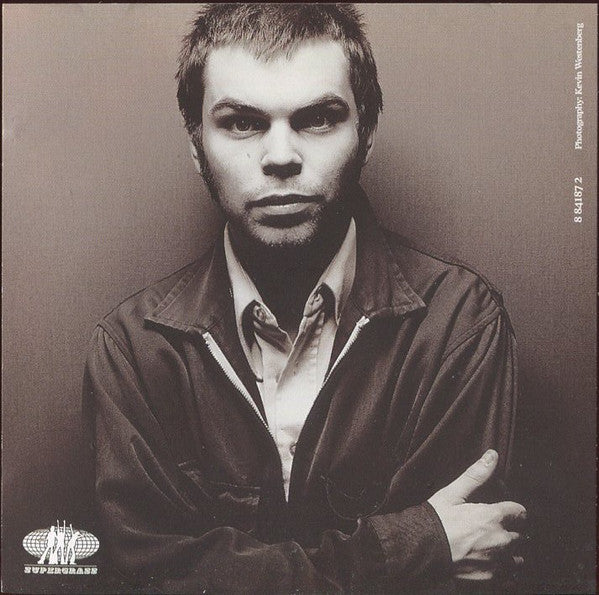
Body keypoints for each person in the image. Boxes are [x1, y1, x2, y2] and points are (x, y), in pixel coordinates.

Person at [83, 4, 526, 592]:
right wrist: (412, 546)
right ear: (196, 148)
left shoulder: (457, 325)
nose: (281, 156)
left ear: (366, 136)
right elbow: (149, 579)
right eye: (242, 123)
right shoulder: (134, 352)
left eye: (318, 119)